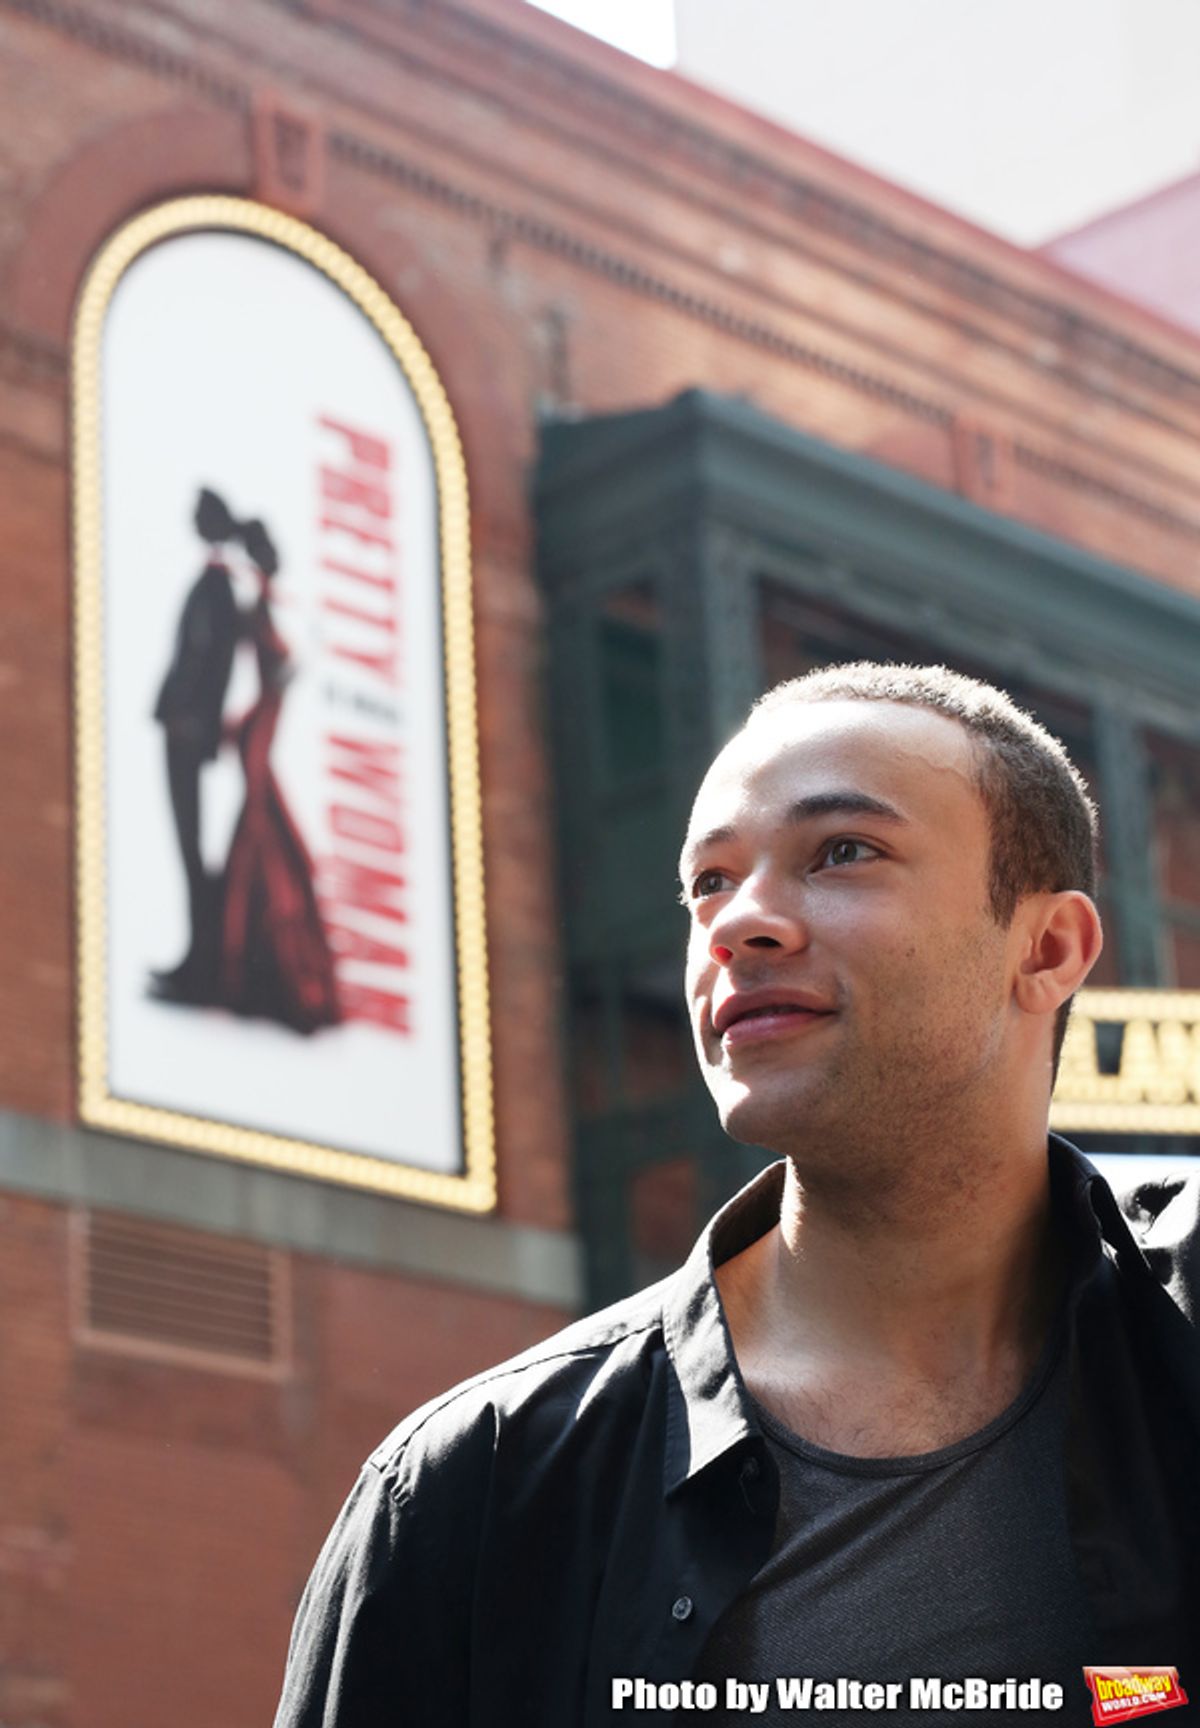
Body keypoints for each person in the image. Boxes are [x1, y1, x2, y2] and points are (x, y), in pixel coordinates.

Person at [273, 662, 1200, 1728]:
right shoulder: (472, 1491)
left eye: (842, 852)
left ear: (1046, 949)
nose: (738, 924)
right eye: (709, 881)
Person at [219, 518, 341, 1035]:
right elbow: (271, 668)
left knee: (268, 840)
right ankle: (269, 977)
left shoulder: (269, 605)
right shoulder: (259, 608)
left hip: (262, 731)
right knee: (263, 840)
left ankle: (272, 976)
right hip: (258, 733)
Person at [151, 486, 241, 1001]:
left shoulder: (219, 588)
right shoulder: (211, 583)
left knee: (192, 848)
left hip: (187, 733)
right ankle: (197, 959)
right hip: (179, 728)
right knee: (186, 847)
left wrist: (195, 723)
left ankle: (202, 964)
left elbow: (215, 665)